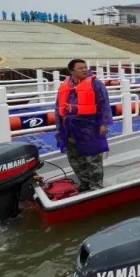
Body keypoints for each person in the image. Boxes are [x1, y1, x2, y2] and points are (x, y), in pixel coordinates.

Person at [54, 59, 112, 191]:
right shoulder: (65, 86)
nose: (85, 70)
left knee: (93, 158)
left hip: (89, 127)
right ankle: (84, 183)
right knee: (75, 158)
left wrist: (104, 124)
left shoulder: (96, 84)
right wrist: (59, 128)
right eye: (80, 68)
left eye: (86, 67)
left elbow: (104, 105)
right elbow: (58, 108)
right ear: (71, 71)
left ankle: (96, 186)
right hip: (69, 128)